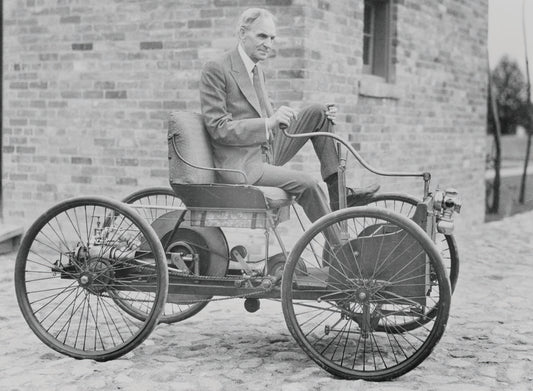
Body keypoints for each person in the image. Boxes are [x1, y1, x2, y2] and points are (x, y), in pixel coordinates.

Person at [199, 7, 379, 225]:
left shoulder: (257, 70)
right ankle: (340, 251)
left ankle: (339, 196)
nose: (268, 44)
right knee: (308, 183)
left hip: (265, 149)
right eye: (262, 36)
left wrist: (280, 116)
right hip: (241, 164)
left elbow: (263, 117)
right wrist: (269, 122)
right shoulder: (217, 68)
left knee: (318, 112)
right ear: (242, 33)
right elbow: (218, 128)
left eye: (272, 38)